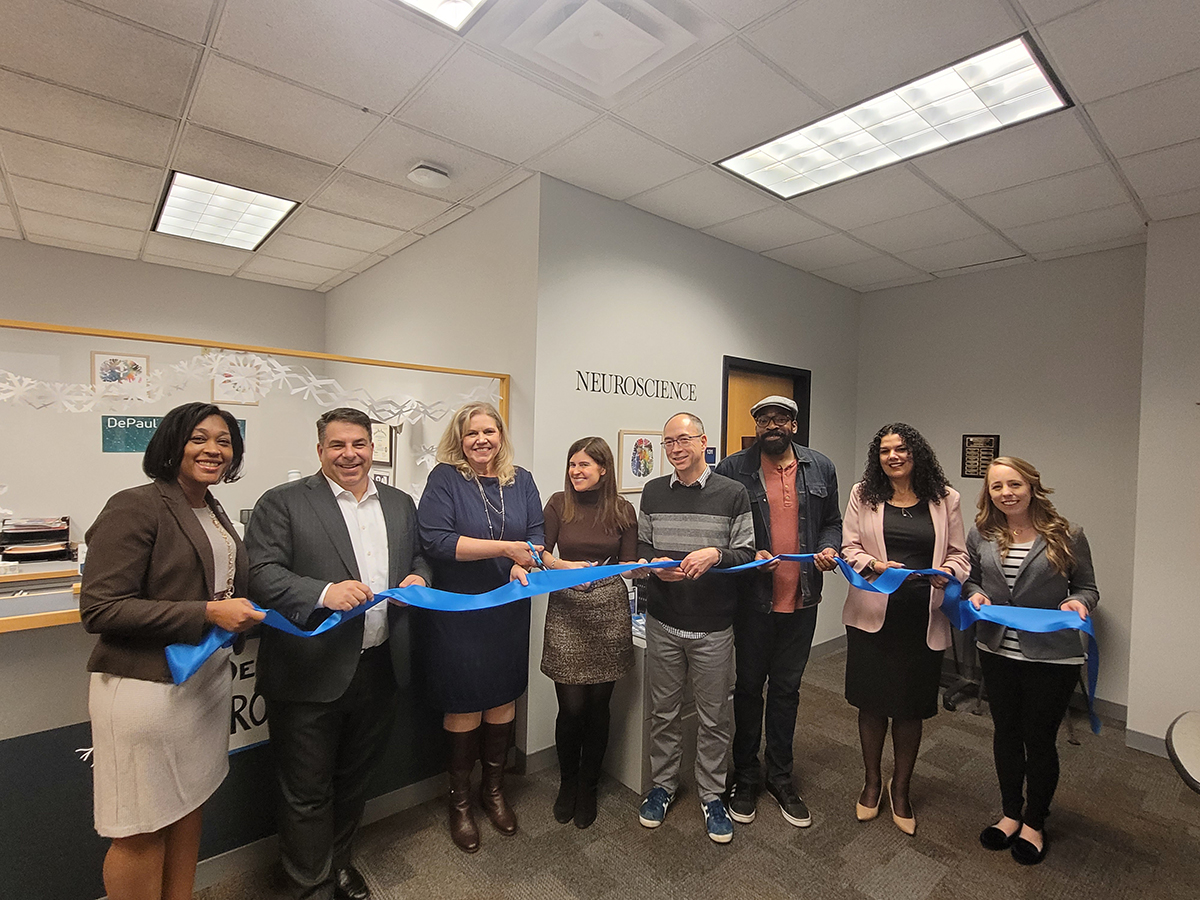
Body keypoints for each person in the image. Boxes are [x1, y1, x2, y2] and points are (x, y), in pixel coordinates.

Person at [80, 402, 264, 900]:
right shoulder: (136, 504)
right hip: (147, 688)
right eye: (199, 438)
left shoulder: (209, 505)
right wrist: (206, 612)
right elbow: (101, 609)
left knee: (187, 807)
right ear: (171, 444)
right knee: (140, 828)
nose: (213, 450)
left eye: (224, 441)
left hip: (203, 683)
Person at [245, 407, 430, 900]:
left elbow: (417, 555)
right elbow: (260, 574)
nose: (350, 454)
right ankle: (312, 887)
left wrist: (421, 577)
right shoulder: (282, 503)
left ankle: (339, 864)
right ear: (320, 450)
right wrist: (323, 591)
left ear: (373, 448)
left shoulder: (398, 502)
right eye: (337, 445)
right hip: (310, 671)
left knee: (353, 781)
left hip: (379, 665)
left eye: (359, 444)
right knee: (306, 792)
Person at [415, 402, 544, 853]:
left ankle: (494, 791)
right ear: (460, 438)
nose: (481, 440)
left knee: (503, 698)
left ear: (501, 435)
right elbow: (437, 540)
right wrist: (508, 547)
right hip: (461, 610)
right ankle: (461, 802)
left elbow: (537, 534)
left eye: (489, 431)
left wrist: (522, 558)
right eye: (472, 434)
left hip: (508, 608)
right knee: (465, 702)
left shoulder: (522, 479)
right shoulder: (446, 479)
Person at [714, 395, 842, 828]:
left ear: (793, 423)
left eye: (780, 418)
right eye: (763, 419)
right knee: (749, 689)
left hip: (802, 599)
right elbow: (721, 528)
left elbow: (834, 521)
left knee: (787, 690)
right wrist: (747, 551)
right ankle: (746, 776)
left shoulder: (820, 467)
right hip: (753, 602)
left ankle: (781, 777)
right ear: (756, 425)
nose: (772, 425)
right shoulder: (733, 469)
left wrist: (829, 546)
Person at [965, 457, 1098, 866]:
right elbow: (971, 578)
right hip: (997, 651)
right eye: (997, 487)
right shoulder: (981, 533)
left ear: (1032, 486)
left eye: (1014, 484)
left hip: (1051, 656)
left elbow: (1087, 587)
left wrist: (1077, 601)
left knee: (1038, 739)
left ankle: (1035, 821)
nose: (1006, 493)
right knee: (1006, 733)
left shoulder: (1067, 533)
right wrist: (973, 593)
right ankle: (1010, 813)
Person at [840, 423, 968, 835]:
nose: (893, 456)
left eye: (901, 449)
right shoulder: (864, 494)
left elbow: (961, 556)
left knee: (912, 708)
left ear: (917, 453)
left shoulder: (946, 499)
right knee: (872, 703)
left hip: (921, 617)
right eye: (884, 451)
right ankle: (872, 782)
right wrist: (877, 566)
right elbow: (849, 549)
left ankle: (902, 788)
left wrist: (947, 573)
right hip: (873, 616)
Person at [635, 412, 756, 843]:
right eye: (668, 442)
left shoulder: (732, 493)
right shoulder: (652, 491)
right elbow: (642, 546)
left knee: (714, 716)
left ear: (703, 441)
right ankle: (663, 786)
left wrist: (714, 556)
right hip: (664, 621)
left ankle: (712, 795)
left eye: (683, 440)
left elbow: (748, 554)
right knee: (663, 713)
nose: (675, 449)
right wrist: (651, 566)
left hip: (714, 627)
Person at [539, 436, 638, 829]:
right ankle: (567, 782)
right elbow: (539, 554)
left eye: (584, 465)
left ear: (603, 469)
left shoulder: (623, 509)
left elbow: (628, 565)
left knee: (599, 707)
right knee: (572, 708)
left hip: (609, 610)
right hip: (566, 607)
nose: (576, 472)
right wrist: (566, 567)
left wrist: (646, 568)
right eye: (572, 464)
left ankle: (588, 786)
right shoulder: (557, 504)